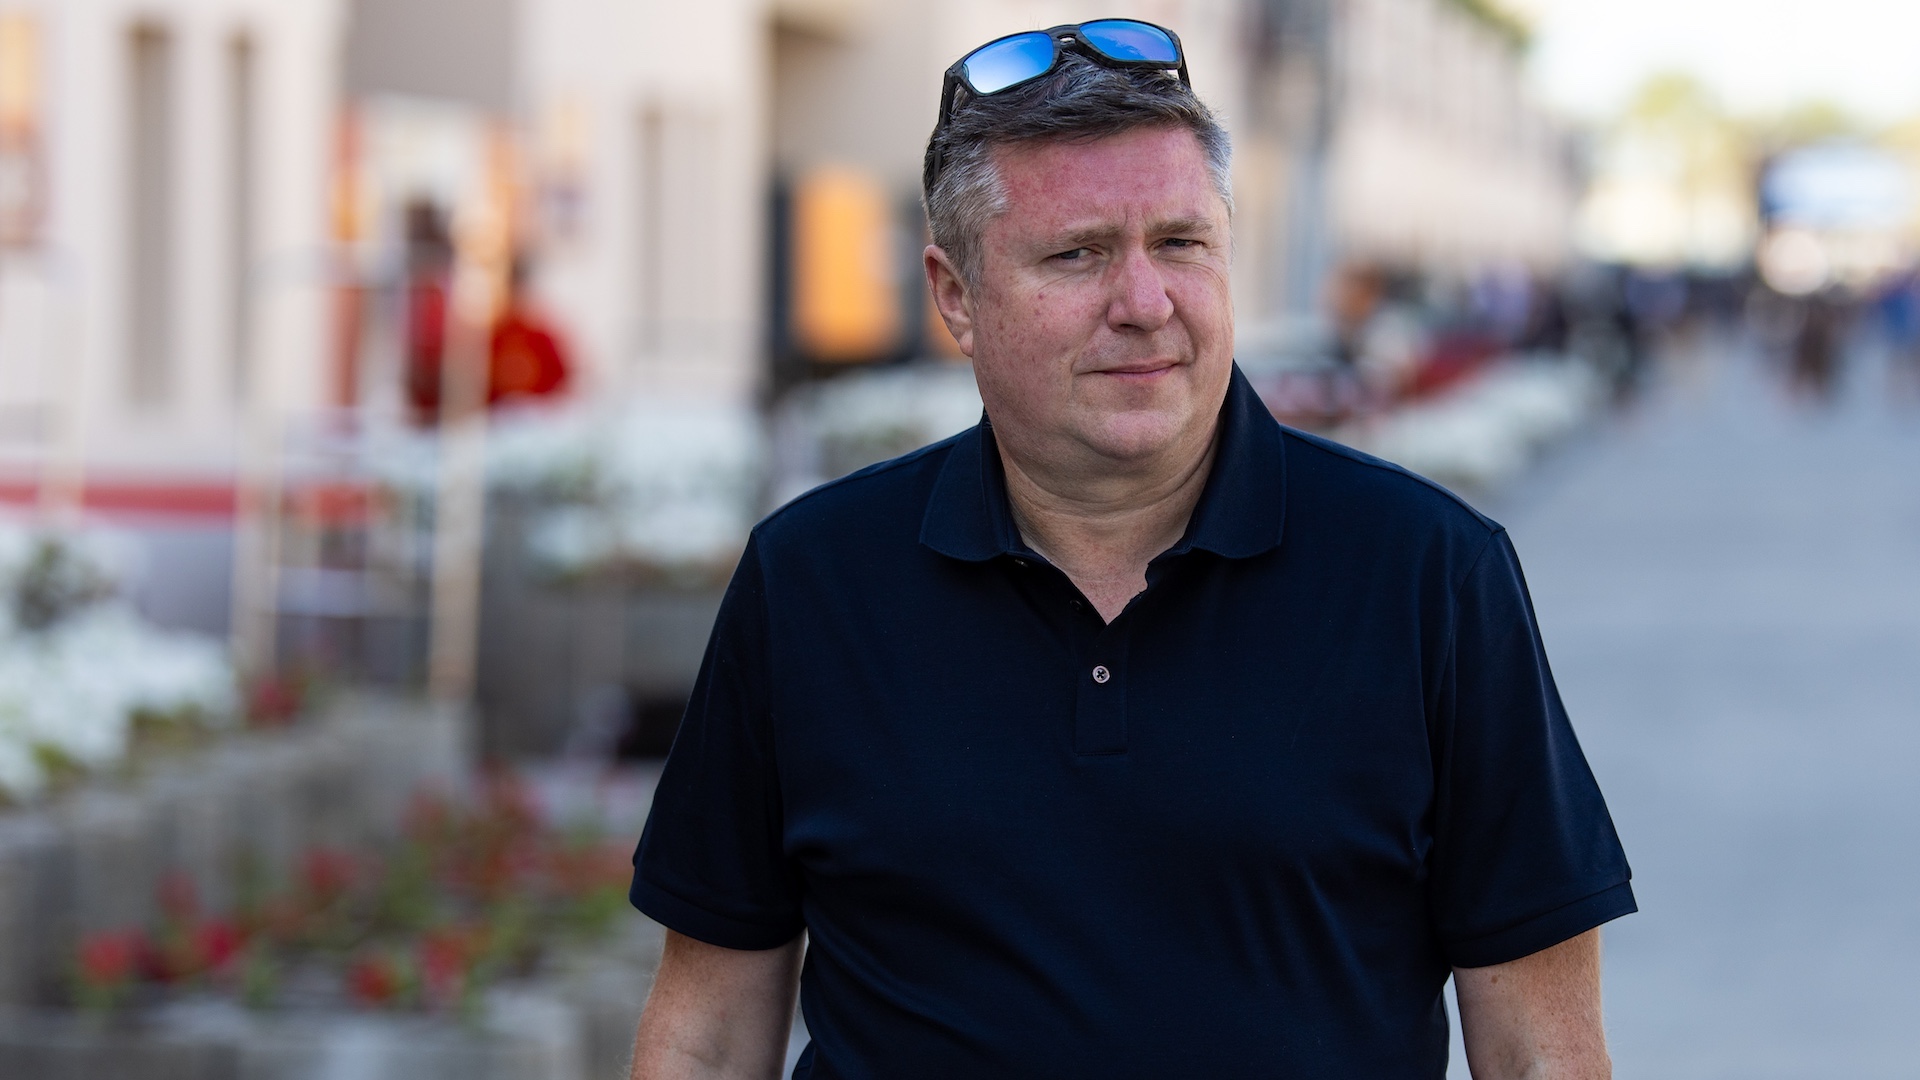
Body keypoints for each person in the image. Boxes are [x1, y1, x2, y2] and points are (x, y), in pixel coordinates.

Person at [627, 19, 1633, 1079]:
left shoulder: (1430, 575)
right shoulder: (812, 583)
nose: (1146, 305)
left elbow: (1540, 1051)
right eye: (1078, 255)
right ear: (955, 296)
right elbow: (706, 1032)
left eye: (1181, 244)